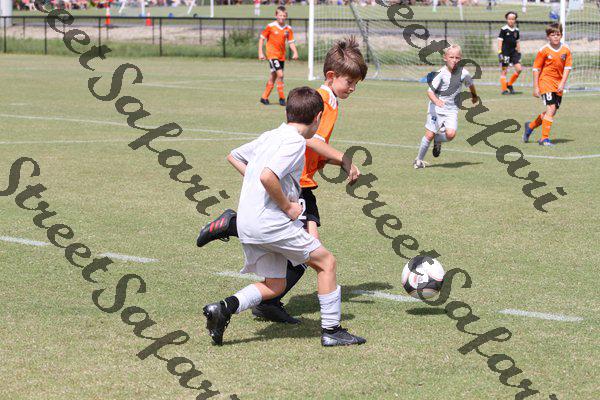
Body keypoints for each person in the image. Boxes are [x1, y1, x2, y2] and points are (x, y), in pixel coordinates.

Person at [197, 37, 368, 325]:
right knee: (313, 254)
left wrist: (333, 162)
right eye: (349, 82)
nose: (352, 88)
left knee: (305, 255)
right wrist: (344, 158)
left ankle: (266, 300)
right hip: (296, 188)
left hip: (303, 184)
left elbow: (312, 149)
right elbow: (310, 141)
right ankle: (234, 228)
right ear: (331, 76)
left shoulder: (331, 101)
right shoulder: (322, 101)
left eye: (356, 84)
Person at [413, 44, 478, 169]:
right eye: (451, 57)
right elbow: (430, 92)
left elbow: (470, 84)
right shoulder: (441, 73)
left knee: (451, 135)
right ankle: (418, 160)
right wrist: (436, 101)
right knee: (429, 135)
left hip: (452, 110)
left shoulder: (464, 73)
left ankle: (438, 139)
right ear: (445, 58)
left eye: (457, 58)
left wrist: (474, 96)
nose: (454, 60)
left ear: (460, 59)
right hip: (436, 109)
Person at [523, 23, 572, 147]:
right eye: (553, 35)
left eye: (558, 34)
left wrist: (562, 83)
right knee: (551, 108)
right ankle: (544, 139)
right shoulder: (543, 50)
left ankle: (530, 126)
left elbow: (567, 68)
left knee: (552, 111)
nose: (556, 37)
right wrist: (536, 87)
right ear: (548, 37)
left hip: (558, 83)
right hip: (546, 81)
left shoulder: (566, 49)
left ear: (561, 35)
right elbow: (536, 69)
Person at [258, 6, 298, 106]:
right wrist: (260, 52)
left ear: (286, 16)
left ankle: (264, 97)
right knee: (280, 74)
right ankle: (282, 99)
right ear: (276, 15)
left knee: (273, 76)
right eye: (280, 15)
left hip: (281, 56)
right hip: (272, 55)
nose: (282, 17)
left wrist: (295, 52)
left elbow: (291, 42)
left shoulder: (288, 29)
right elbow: (262, 39)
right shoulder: (270, 26)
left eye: (284, 16)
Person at [498, 11, 522, 95]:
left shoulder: (516, 30)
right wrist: (500, 52)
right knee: (504, 71)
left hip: (514, 53)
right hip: (505, 53)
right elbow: (500, 41)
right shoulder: (503, 29)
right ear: (506, 19)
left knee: (519, 69)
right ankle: (504, 89)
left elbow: (517, 42)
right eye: (509, 19)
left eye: (513, 19)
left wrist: (519, 52)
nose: (511, 20)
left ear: (515, 20)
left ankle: (509, 84)